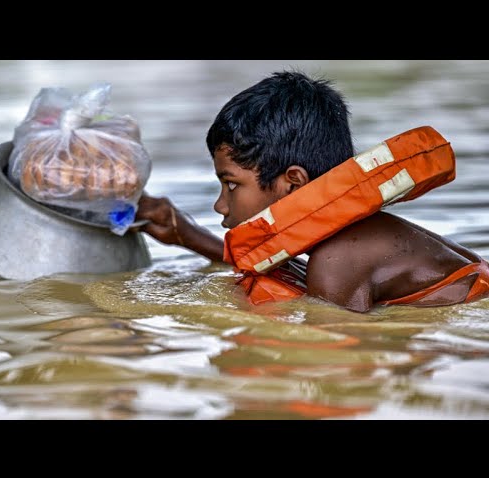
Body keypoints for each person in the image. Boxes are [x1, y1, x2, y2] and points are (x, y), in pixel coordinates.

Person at [134, 71, 489, 313]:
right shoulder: (347, 242)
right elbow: (285, 272)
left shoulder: (338, 260)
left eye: (231, 184)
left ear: (293, 183)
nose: (219, 204)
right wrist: (187, 236)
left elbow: (326, 355)